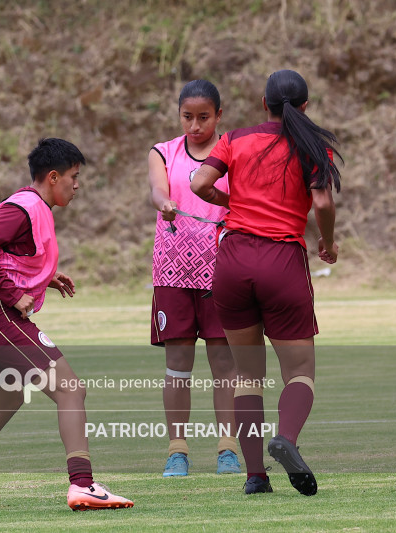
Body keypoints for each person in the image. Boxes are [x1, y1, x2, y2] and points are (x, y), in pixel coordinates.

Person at [0, 138, 133, 511]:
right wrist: (12, 293)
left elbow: (9, 254)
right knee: (70, 389)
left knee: (9, 397)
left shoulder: (29, 206)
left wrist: (43, 279)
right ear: (53, 177)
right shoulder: (27, 207)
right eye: (73, 177)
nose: (77, 185)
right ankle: (83, 485)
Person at [190, 69, 340, 496]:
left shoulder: (235, 139)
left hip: (233, 261)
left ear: (264, 103)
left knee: (248, 375)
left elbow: (199, 183)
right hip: (282, 261)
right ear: (305, 106)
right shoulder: (313, 146)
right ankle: (286, 439)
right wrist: (327, 241)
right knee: (300, 372)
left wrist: (233, 202)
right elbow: (323, 201)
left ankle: (256, 476)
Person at [148, 79, 241, 478]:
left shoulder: (234, 152)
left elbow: (241, 201)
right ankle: (177, 452)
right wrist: (164, 203)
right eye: (188, 117)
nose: (195, 125)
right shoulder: (163, 152)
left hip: (224, 272)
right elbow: (157, 190)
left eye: (204, 117)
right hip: (173, 272)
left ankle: (228, 449)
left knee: (224, 364)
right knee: (177, 364)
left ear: (219, 115)